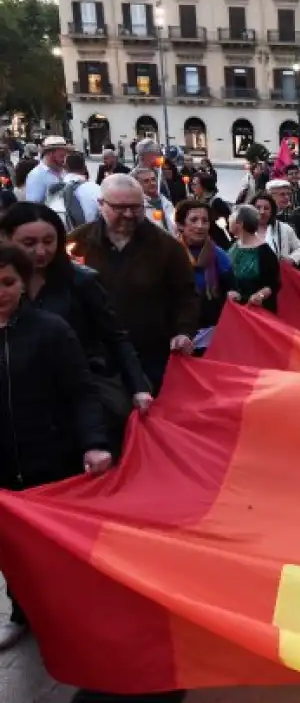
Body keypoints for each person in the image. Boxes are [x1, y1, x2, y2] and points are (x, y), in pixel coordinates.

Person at [0, 243, 112, 650]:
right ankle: (21, 612)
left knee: (56, 545)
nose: (1, 292)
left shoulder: (51, 330)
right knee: (11, 546)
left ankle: (72, 611)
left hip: (49, 456)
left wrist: (94, 443)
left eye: (8, 282)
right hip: (3, 465)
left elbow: (80, 392)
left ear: (24, 284)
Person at [0, 202, 152, 449]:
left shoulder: (81, 281)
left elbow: (115, 337)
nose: (41, 251)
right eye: (29, 243)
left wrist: (138, 387)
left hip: (79, 390)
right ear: (7, 238)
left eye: (49, 241)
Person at [67, 174, 199, 393]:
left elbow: (185, 296)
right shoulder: (78, 243)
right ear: (102, 204)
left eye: (135, 208)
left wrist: (183, 332)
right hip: (95, 358)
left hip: (150, 356)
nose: (128, 215)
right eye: (120, 208)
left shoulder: (167, 247)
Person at [174, 200, 235, 330]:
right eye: (194, 220)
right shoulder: (170, 254)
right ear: (180, 225)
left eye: (205, 221)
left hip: (212, 329)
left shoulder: (220, 256)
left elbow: (231, 288)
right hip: (177, 328)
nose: (200, 226)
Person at [227, 204, 281, 313]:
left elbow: (274, 283)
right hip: (233, 309)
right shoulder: (234, 245)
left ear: (240, 223)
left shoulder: (264, 252)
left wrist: (260, 295)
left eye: (231, 217)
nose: (229, 219)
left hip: (255, 312)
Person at [250, 191, 300, 267]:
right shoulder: (245, 229)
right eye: (258, 208)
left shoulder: (285, 229)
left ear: (272, 211)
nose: (262, 212)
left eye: (266, 208)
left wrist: (291, 259)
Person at [46, 151, 102, 228]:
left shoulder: (53, 190)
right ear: (84, 167)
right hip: (88, 235)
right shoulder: (96, 189)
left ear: (65, 167)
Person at [191, 171, 232, 249]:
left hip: (216, 244)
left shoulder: (216, 203)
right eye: (192, 184)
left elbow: (225, 227)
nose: (192, 187)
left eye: (195, 184)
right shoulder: (195, 200)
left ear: (204, 186)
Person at [24, 135, 69, 204]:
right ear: (50, 154)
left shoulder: (64, 171)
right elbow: (34, 207)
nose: (64, 159)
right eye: (61, 156)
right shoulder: (36, 176)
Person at [132, 166, 175, 233]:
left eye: (153, 179)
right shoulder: (137, 207)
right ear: (137, 185)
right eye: (146, 181)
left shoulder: (166, 202)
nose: (152, 183)